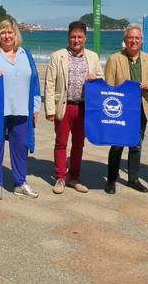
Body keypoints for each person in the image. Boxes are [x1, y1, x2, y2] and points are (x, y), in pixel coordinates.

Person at [0, 19, 41, 200]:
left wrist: (36, 107)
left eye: (10, 33)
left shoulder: (26, 54)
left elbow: (35, 82)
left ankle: (20, 183)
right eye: (3, 33)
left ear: (16, 35)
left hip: (22, 109)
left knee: (20, 148)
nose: (7, 36)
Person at [44, 21, 103, 194]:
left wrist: (96, 78)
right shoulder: (58, 56)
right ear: (68, 37)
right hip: (64, 106)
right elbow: (49, 84)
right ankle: (61, 177)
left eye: (79, 36)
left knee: (78, 144)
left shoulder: (93, 57)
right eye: (73, 36)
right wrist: (50, 110)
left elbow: (102, 80)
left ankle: (74, 178)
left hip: (84, 108)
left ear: (85, 38)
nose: (76, 40)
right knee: (61, 143)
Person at [104, 24, 148, 194]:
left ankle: (133, 179)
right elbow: (108, 88)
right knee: (117, 146)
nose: (134, 41)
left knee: (136, 146)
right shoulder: (114, 59)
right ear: (125, 40)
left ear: (142, 41)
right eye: (130, 38)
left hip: (141, 111)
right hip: (120, 111)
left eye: (137, 38)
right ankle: (111, 180)